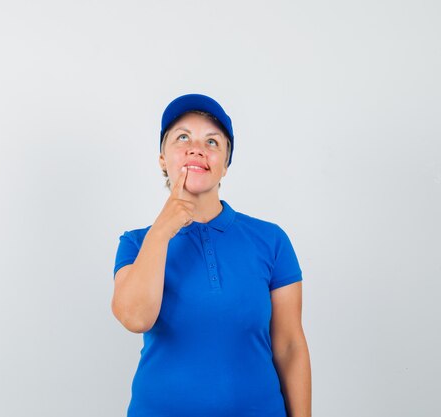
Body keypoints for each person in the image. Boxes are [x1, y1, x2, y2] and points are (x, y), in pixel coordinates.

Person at [111, 94, 312, 417]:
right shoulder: (136, 244)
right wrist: (163, 229)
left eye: (212, 142)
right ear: (162, 159)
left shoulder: (270, 240)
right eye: (182, 138)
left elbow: (289, 346)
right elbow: (135, 317)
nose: (197, 148)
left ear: (225, 165)